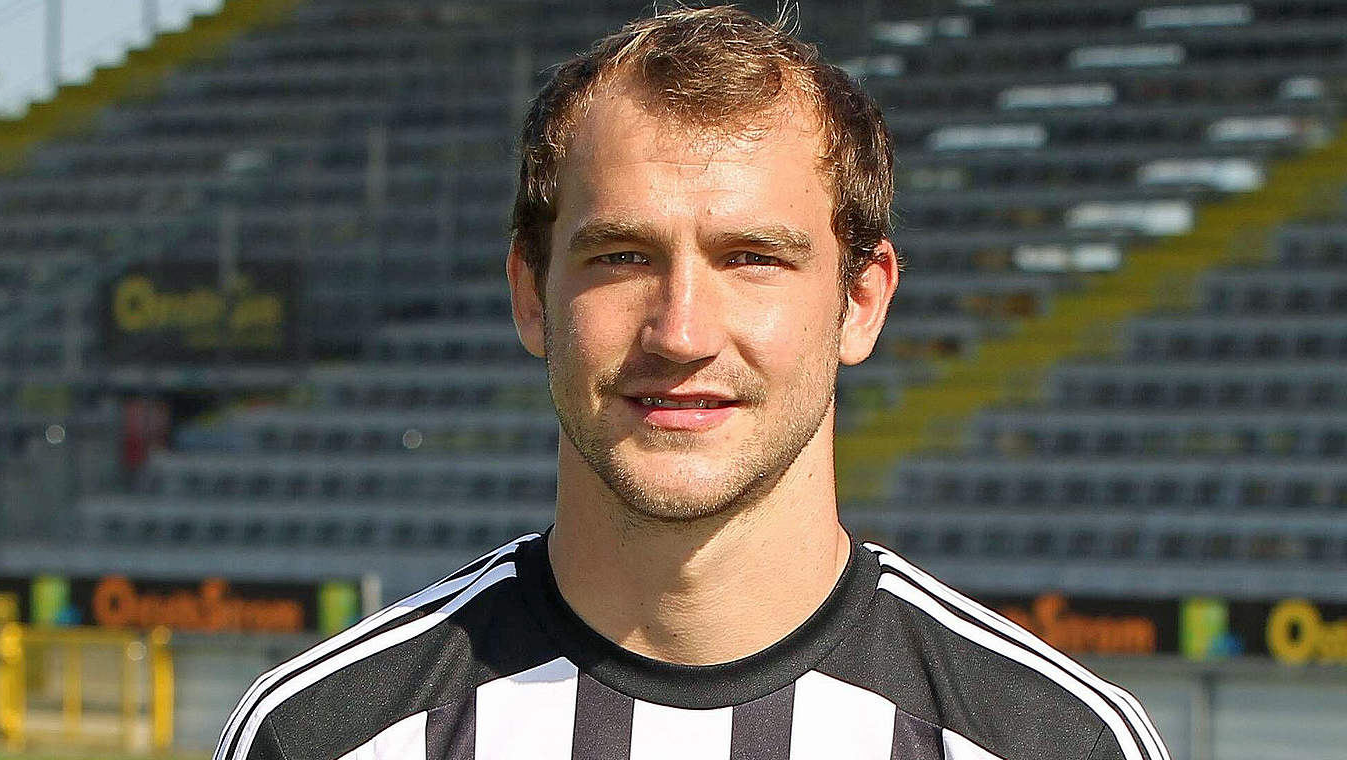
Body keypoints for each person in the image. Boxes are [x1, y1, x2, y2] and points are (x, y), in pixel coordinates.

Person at [214, 6, 1168, 759]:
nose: (680, 332)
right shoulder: (325, 736)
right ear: (530, 294)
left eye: (752, 258)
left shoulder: (1055, 742)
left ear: (861, 301)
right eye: (623, 256)